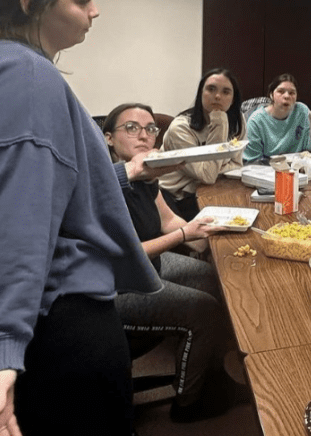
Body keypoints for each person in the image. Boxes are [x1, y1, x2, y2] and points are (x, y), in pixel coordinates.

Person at [0, 0, 162, 436]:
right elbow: (15, 219)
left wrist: (120, 174)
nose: (95, 12)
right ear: (34, 4)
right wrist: (1, 347)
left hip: (44, 316)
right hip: (58, 320)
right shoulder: (27, 79)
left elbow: (47, 185)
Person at [103, 103, 242, 422]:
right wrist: (184, 235)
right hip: (119, 289)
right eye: (132, 128)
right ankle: (187, 402)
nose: (144, 135)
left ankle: (209, 369)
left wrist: (214, 236)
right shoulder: (104, 186)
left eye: (151, 129)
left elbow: (167, 221)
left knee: (213, 277)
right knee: (203, 311)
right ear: (109, 138)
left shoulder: (147, 178)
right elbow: (129, 254)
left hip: (151, 267)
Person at [159, 68, 245, 220]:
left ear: (233, 99)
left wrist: (212, 168)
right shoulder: (180, 128)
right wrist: (219, 123)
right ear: (201, 94)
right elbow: (207, 176)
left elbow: (237, 166)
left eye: (226, 92)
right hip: (176, 197)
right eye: (211, 89)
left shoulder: (238, 122)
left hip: (214, 189)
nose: (217, 96)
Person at [243, 73, 311, 163]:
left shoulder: (302, 111)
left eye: (292, 93)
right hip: (267, 170)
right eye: (281, 91)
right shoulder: (256, 120)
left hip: (298, 169)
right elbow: (253, 161)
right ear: (271, 94)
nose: (287, 96)